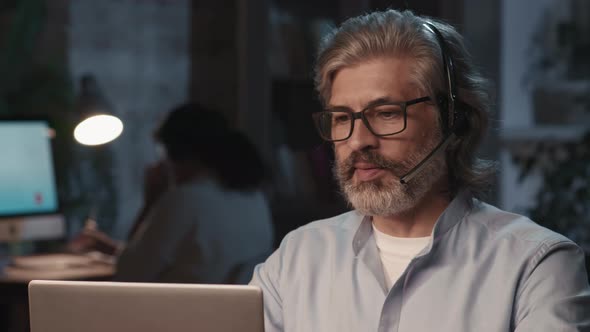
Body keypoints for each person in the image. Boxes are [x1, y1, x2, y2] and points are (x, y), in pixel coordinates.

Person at [250, 9, 590, 331]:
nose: (358, 141)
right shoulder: (294, 259)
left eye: (386, 113)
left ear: (455, 121)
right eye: (342, 119)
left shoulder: (536, 266)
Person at [72, 102, 275, 284]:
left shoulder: (185, 200)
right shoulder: (254, 197)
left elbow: (130, 275)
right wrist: (112, 248)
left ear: (176, 153)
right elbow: (181, 258)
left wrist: (150, 201)